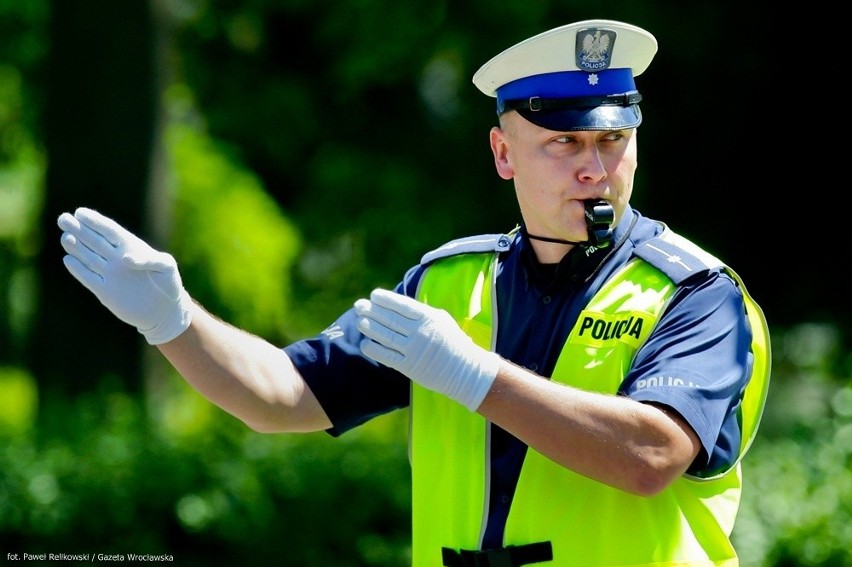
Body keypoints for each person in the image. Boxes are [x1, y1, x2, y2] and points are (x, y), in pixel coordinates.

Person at [56, 19, 770, 567]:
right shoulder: (447, 282)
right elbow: (282, 396)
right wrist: (173, 320)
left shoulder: (697, 292)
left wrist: (470, 372)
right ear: (502, 153)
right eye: (564, 144)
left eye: (613, 140)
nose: (595, 168)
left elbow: (650, 456)